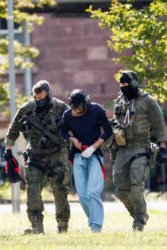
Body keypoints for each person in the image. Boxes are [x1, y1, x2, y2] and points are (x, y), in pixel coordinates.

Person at [4, 80, 70, 234]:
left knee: (60, 190)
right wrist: (8, 149)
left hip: (56, 154)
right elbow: (14, 128)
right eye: (36, 98)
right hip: (34, 155)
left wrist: (73, 145)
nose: (39, 100)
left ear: (48, 93)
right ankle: (37, 227)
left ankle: (62, 227)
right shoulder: (27, 108)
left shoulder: (60, 107)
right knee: (32, 190)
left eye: (41, 97)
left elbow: (72, 125)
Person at [110, 70, 167, 231]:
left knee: (136, 186)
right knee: (121, 190)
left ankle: (139, 222)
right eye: (120, 85)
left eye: (125, 84)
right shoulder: (120, 101)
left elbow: (159, 123)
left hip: (141, 146)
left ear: (134, 84)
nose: (122, 87)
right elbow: (117, 119)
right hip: (122, 148)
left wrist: (162, 146)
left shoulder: (147, 100)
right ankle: (138, 214)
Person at [61, 89, 112, 233]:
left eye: (80, 108)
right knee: (83, 195)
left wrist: (95, 145)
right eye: (74, 108)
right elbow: (62, 131)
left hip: (94, 154)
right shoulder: (67, 115)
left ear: (86, 103)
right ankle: (93, 220)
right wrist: (72, 139)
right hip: (78, 156)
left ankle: (96, 226)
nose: (77, 111)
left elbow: (108, 131)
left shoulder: (97, 110)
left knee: (93, 192)